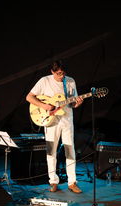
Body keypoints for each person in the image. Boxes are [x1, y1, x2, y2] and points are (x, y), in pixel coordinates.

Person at [26, 60, 83, 193]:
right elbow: (29, 97)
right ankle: (53, 181)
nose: (61, 76)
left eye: (63, 73)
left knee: (70, 150)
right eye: (58, 73)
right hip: (51, 122)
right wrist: (44, 106)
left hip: (67, 120)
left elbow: (72, 103)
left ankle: (72, 182)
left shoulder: (70, 81)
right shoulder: (44, 81)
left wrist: (78, 103)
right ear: (52, 72)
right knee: (51, 151)